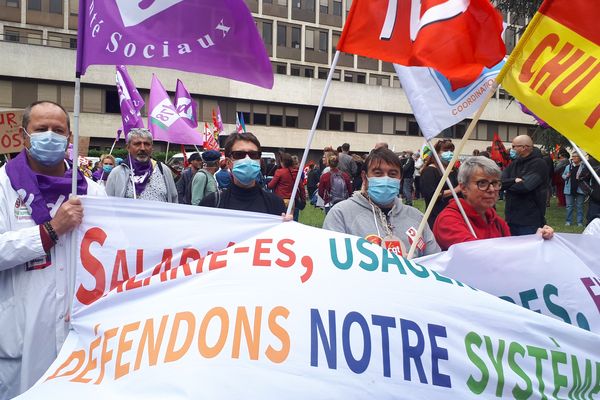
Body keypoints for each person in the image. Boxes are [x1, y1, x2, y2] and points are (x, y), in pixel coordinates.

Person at [0, 100, 105, 398]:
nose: (50, 136)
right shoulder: (3, 186)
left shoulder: (92, 191)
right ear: (23, 135)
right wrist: (49, 231)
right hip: (21, 338)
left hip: (80, 335)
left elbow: (112, 254)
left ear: (69, 138)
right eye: (41, 129)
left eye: (58, 130)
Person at [323, 148, 440, 257]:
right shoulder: (341, 215)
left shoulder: (417, 217)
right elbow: (333, 262)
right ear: (364, 177)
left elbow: (434, 262)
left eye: (392, 174)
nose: (386, 179)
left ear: (400, 179)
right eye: (378, 173)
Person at [434, 157, 553, 250]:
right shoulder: (449, 220)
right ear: (463, 188)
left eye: (495, 183)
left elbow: (509, 248)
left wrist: (536, 239)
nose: (491, 189)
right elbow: (477, 254)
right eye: (482, 183)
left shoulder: (493, 217)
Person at [200, 132, 286, 216]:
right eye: (239, 154)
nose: (247, 159)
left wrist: (288, 226)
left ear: (259, 161)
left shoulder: (276, 204)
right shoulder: (211, 204)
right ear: (228, 162)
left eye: (253, 154)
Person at [106, 128, 177, 203]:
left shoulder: (163, 170)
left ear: (152, 147)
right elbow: (108, 205)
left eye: (147, 144)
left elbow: (174, 200)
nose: (142, 148)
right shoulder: (117, 173)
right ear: (128, 147)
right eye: (137, 144)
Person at [501, 135, 548, 235]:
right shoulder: (514, 163)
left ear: (524, 147)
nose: (511, 149)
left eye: (514, 146)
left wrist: (508, 184)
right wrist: (514, 180)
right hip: (511, 218)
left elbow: (525, 187)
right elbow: (499, 182)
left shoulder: (539, 164)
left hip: (529, 220)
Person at [420, 139, 461, 228]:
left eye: (451, 151)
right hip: (436, 215)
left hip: (454, 214)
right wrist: (454, 190)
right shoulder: (430, 171)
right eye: (445, 151)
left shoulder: (454, 171)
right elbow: (430, 194)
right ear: (436, 153)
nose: (449, 153)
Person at [562, 153, 586, 226]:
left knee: (580, 206)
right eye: (573, 156)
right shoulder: (568, 167)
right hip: (569, 189)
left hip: (580, 189)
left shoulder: (584, 167)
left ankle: (580, 222)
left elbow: (587, 177)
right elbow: (563, 175)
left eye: (576, 156)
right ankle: (568, 221)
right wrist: (567, 175)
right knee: (569, 206)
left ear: (580, 158)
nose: (574, 158)